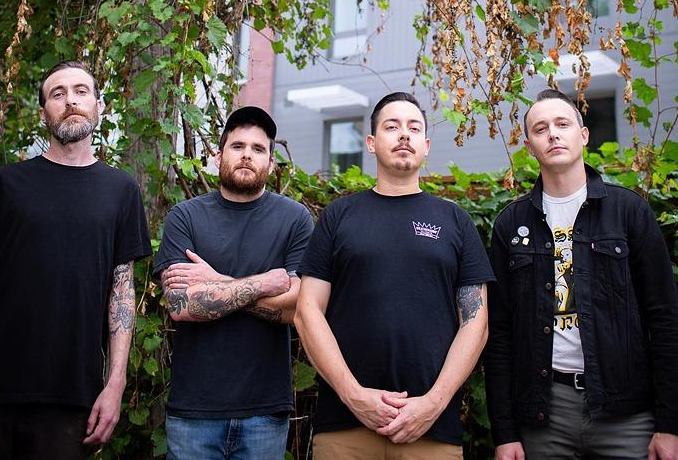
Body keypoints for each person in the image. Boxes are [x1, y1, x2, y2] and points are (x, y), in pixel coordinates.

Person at [294, 92, 494, 459]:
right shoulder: (338, 217)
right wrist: (353, 395)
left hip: (432, 429)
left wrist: (433, 403)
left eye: (413, 128)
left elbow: (476, 322)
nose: (404, 135)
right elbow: (307, 311)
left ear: (426, 145)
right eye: (392, 127)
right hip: (345, 426)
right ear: (371, 143)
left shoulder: (455, 221)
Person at [485, 88, 678, 460]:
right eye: (541, 129)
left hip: (625, 412)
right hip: (544, 414)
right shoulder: (512, 223)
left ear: (584, 135)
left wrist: (670, 424)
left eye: (563, 124)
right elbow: (500, 333)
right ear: (529, 145)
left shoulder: (629, 212)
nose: (553, 134)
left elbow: (666, 319)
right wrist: (504, 432)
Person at [0, 60, 152, 459]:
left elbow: (122, 293)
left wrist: (114, 386)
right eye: (57, 94)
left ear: (99, 105)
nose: (70, 101)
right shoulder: (6, 185)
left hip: (71, 395)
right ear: (43, 113)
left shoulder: (121, 190)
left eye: (81, 91)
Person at [154, 106, 314, 459]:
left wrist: (216, 281)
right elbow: (182, 306)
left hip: (265, 411)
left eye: (259, 149)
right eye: (237, 146)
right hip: (194, 412)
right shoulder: (186, 216)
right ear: (218, 156)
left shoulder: (294, 219)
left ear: (271, 164)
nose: (247, 155)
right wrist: (264, 284)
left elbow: (300, 306)